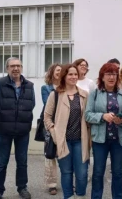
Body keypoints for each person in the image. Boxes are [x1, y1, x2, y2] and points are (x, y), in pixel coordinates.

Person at [85, 63, 122, 199]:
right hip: (100, 139)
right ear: (102, 76)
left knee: (117, 173)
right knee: (98, 172)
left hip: (118, 139)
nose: (111, 77)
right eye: (108, 74)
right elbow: (87, 115)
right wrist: (102, 116)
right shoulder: (94, 94)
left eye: (114, 74)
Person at [44, 64, 91, 199]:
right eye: (70, 74)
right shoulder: (55, 95)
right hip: (63, 140)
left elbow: (88, 117)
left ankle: (80, 195)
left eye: (75, 74)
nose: (73, 77)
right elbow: (47, 116)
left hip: (80, 140)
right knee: (66, 172)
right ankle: (68, 196)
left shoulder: (84, 95)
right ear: (64, 76)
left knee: (82, 173)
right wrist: (54, 132)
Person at [0, 57, 35, 199]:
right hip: (4, 130)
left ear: (21, 67)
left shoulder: (29, 85)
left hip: (23, 131)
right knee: (1, 163)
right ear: (7, 68)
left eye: (18, 65)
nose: (16, 68)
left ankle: (22, 188)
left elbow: (32, 104)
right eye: (12, 66)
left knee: (22, 162)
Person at [41, 63, 62, 195]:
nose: (60, 72)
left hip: (65, 125)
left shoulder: (67, 87)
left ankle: (67, 181)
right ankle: (52, 184)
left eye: (61, 70)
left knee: (64, 155)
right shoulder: (46, 88)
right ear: (52, 72)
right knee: (50, 156)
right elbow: (47, 105)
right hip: (50, 124)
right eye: (57, 70)